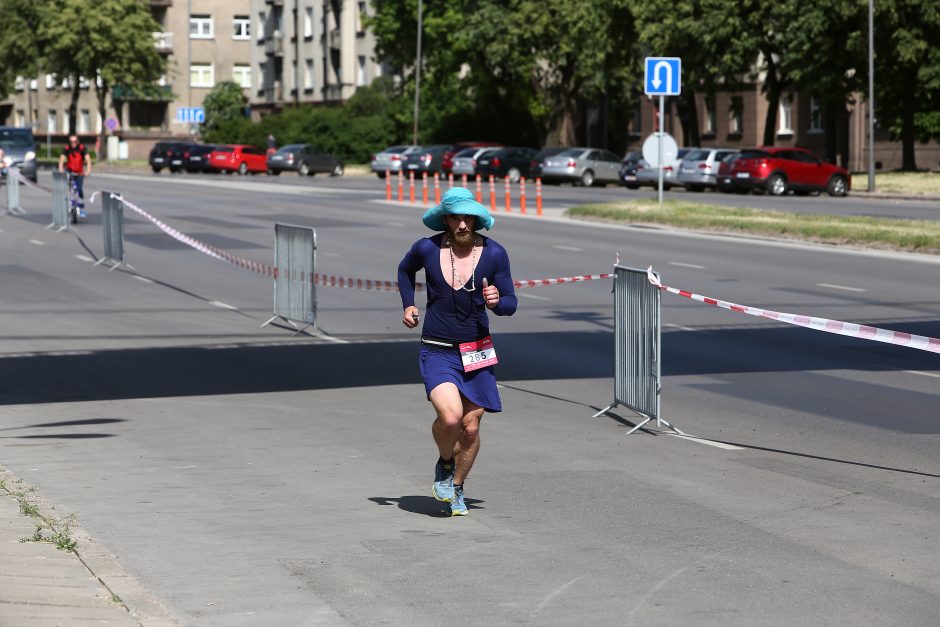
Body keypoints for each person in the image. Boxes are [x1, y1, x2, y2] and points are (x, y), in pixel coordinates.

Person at [398, 187, 517, 516]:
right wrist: (408, 305)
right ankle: (445, 463)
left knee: (470, 427)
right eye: (455, 217)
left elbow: (510, 302)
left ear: (476, 220)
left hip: (477, 351)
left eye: (468, 218)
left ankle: (458, 486)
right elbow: (404, 270)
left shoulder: (495, 254)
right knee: (449, 418)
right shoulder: (426, 248)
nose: (462, 224)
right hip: (437, 348)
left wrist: (498, 302)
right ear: (445, 220)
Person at [58, 135, 92, 219]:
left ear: (78, 141)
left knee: (79, 189)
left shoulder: (82, 148)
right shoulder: (67, 148)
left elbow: (88, 160)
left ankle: (81, 208)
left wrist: (88, 171)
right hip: (70, 171)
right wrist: (61, 170)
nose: (73, 143)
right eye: (71, 142)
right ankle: (69, 204)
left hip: (79, 172)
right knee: (69, 189)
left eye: (75, 141)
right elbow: (62, 160)